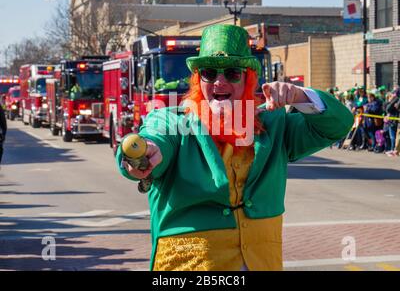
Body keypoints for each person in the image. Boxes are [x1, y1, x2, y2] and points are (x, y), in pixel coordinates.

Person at [116, 24, 354, 271]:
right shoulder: (172, 121)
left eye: (231, 73)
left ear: (247, 78)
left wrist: (300, 96)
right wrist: (146, 152)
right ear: (199, 80)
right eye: (209, 73)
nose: (219, 82)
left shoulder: (273, 123)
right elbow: (154, 141)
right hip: (192, 265)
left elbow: (338, 125)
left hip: (261, 261)